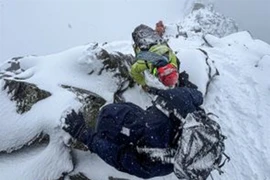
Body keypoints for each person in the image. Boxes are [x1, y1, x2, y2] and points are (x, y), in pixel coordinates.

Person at [62, 87, 204, 179]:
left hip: (119, 122)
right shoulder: (163, 164)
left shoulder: (182, 103)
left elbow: (117, 155)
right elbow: (118, 156)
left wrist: (83, 134)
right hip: (124, 121)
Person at [130, 24, 180, 91]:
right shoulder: (145, 62)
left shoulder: (170, 56)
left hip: (152, 38)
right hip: (140, 37)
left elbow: (175, 62)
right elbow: (134, 71)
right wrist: (143, 83)